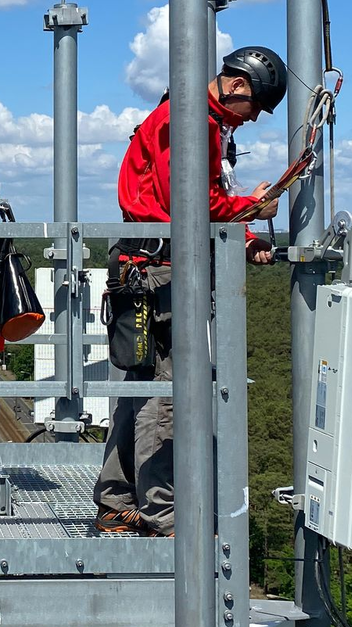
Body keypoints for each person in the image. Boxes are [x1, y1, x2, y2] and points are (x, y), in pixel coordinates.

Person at [92, 45, 287, 536]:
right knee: (166, 395)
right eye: (256, 108)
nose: (253, 119)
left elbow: (194, 203)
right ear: (238, 85)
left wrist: (243, 239)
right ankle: (164, 515)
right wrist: (253, 207)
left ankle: (117, 501)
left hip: (144, 266)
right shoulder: (190, 123)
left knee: (140, 390)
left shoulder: (189, 120)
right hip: (161, 272)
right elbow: (192, 205)